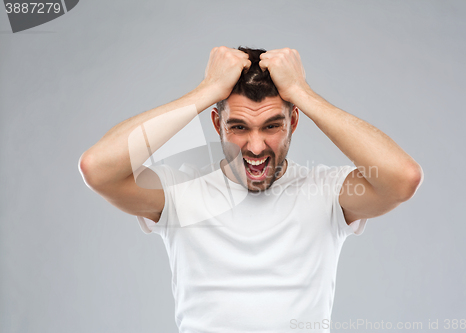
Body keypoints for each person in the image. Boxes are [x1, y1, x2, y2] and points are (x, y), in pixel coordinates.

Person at [79, 46, 423, 332]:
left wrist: (302, 93)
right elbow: (98, 168)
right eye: (239, 126)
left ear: (294, 122)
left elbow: (401, 178)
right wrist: (206, 91)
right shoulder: (180, 191)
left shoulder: (327, 192)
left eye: (272, 125)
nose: (256, 147)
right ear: (217, 123)